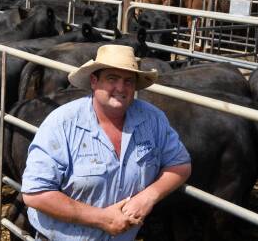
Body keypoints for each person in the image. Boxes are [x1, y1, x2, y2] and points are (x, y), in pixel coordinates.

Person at [22, 45, 192, 241]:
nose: (121, 88)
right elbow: (36, 193)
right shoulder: (62, 123)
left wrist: (148, 197)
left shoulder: (152, 119)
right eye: (112, 78)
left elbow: (180, 164)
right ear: (94, 81)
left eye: (128, 81)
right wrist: (102, 219)